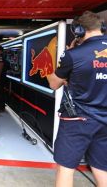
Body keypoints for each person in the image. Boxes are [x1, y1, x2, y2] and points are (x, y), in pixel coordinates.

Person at [46, 11, 107, 187]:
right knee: (101, 166)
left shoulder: (74, 54)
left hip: (78, 120)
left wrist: (68, 59)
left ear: (79, 30)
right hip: (104, 122)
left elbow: (53, 83)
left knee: (65, 168)